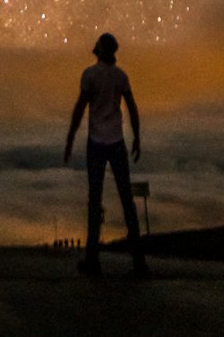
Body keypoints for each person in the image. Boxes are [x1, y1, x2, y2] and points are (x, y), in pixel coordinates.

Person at [63, 31, 148, 277]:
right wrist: (137, 137)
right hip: (117, 142)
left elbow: (80, 108)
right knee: (127, 201)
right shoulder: (120, 76)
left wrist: (70, 138)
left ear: (100, 50)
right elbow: (132, 107)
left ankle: (92, 259)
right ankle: (138, 261)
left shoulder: (89, 75)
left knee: (95, 200)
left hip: (97, 143)